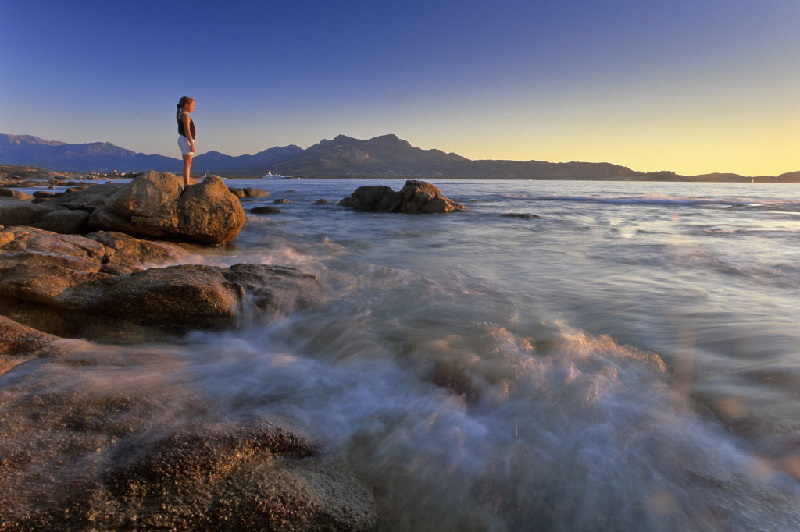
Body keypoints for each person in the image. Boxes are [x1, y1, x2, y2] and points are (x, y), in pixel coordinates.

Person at [176, 96, 196, 187]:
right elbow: (187, 130)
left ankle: (187, 182)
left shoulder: (180, 114)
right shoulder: (185, 116)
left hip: (183, 139)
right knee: (187, 163)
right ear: (186, 105)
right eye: (192, 105)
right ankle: (186, 183)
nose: (193, 108)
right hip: (186, 139)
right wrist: (192, 144)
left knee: (188, 163)